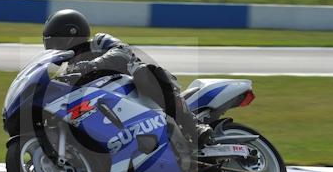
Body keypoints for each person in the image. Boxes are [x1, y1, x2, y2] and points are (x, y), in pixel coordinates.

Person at [42, 8, 213, 149]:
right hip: (121, 110)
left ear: (71, 34)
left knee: (144, 73)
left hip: (143, 88)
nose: (53, 49)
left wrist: (92, 64)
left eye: (55, 43)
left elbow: (122, 52)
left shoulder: (99, 42)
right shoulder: (70, 70)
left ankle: (194, 126)